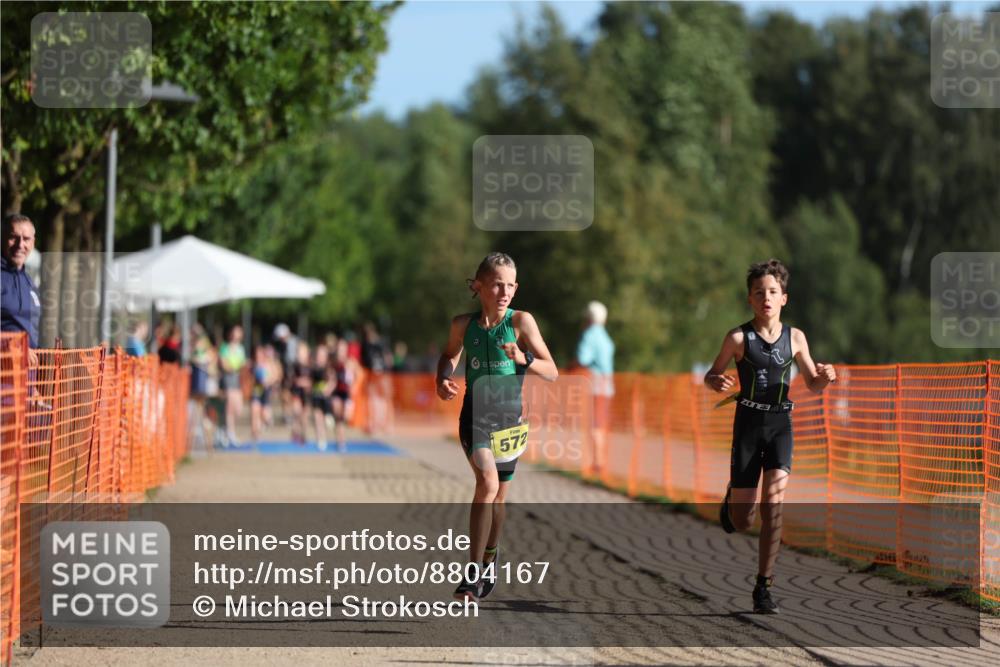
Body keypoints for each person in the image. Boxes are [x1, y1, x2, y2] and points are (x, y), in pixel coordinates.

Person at [704, 259, 836, 614]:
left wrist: (826, 376)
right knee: (743, 520)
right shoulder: (737, 338)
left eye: (773, 292)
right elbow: (711, 375)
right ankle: (733, 500)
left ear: (784, 298)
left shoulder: (796, 338)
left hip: (780, 426)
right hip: (748, 426)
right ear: (750, 299)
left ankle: (763, 586)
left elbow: (813, 383)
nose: (766, 298)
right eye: (759, 292)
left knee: (773, 506)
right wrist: (716, 381)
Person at [436, 252, 558, 602]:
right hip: (475, 415)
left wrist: (524, 358)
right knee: (487, 484)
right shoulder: (463, 325)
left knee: (499, 498)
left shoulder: (521, 322)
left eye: (510, 286)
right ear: (478, 286)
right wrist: (442, 378)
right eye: (496, 285)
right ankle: (472, 575)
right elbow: (449, 355)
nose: (504, 292)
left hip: (509, 423)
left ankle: (490, 555)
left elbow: (552, 371)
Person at [576, 300, 615, 477]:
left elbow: (582, 359)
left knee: (593, 425)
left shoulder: (589, 335)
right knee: (600, 423)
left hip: (594, 385)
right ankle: (599, 461)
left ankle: (597, 462)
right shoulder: (606, 337)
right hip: (607, 385)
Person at [1, 213, 40, 366]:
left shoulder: (30, 282)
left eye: (26, 239)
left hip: (26, 377)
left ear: (33, 243)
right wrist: (13, 345)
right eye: (13, 237)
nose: (20, 245)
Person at [218, 325, 247, 446]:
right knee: (229, 408)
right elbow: (224, 364)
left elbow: (243, 364)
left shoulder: (241, 348)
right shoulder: (224, 347)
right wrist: (234, 367)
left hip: (237, 380)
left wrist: (238, 368)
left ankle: (225, 430)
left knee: (238, 408)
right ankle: (230, 433)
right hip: (228, 379)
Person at [331, 339, 358, 452]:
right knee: (338, 417)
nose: (341, 352)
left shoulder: (351, 362)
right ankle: (340, 441)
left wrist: (354, 385)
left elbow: (357, 376)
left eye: (343, 349)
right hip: (337, 393)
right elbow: (331, 378)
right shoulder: (334, 363)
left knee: (346, 418)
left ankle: (341, 438)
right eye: (339, 349)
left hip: (347, 394)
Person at [309, 343, 334, 451]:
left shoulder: (328, 368)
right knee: (317, 418)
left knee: (325, 420)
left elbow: (333, 381)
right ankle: (320, 439)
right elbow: (310, 382)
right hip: (315, 396)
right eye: (319, 354)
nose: (320, 357)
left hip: (326, 398)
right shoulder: (313, 367)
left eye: (323, 355)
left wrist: (329, 388)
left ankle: (329, 419)